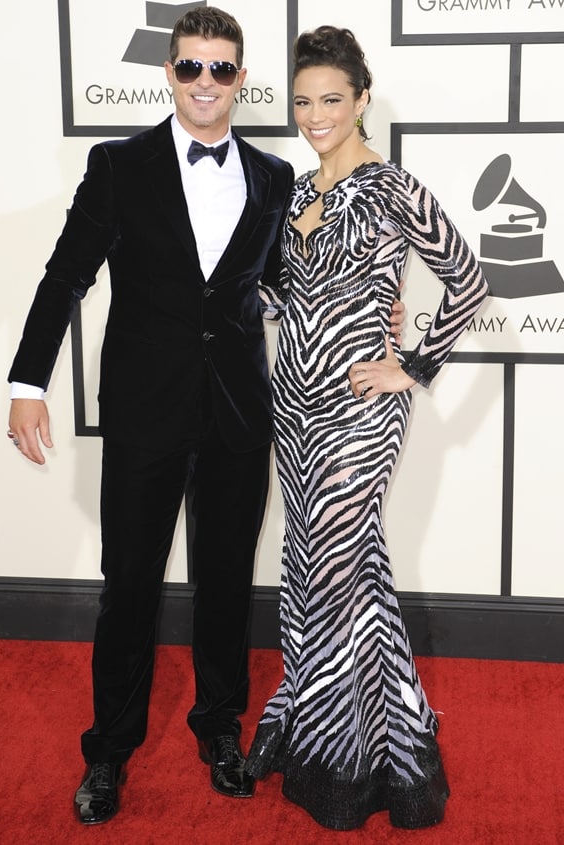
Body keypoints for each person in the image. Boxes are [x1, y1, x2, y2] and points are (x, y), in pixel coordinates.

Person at [6, 6, 406, 827]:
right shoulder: (120, 165)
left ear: (240, 79)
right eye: (191, 67)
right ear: (169, 74)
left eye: (222, 70)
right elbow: (65, 276)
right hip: (145, 414)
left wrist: (383, 313)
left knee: (224, 582)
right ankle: (109, 750)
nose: (205, 84)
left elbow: (293, 286)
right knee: (130, 587)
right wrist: (26, 383)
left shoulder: (272, 178)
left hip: (237, 412)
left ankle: (219, 728)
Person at [245, 25, 489, 833]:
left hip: (359, 410)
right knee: (320, 565)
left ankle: (346, 760)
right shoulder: (293, 194)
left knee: (342, 566)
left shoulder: (392, 188)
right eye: (305, 100)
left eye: (332, 100)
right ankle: (379, 735)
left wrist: (410, 367)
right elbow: (286, 297)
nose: (315, 115)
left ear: (361, 101)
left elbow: (469, 279)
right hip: (293, 402)